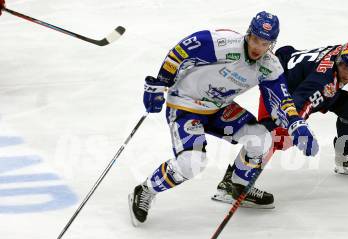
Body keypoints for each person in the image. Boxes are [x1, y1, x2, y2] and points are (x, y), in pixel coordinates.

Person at [128, 11, 319, 226]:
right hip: (186, 104)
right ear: (248, 34)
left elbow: (281, 101)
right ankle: (145, 190)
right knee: (191, 163)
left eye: (265, 43)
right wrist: (161, 81)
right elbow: (181, 50)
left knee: (262, 139)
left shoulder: (269, 66)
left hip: (219, 108)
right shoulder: (223, 43)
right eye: (255, 39)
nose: (258, 47)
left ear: (272, 44)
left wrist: (296, 125)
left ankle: (235, 186)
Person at [212, 41, 348, 208]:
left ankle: (344, 158)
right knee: (275, 136)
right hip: (279, 88)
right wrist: (296, 125)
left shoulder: (343, 55)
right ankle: (231, 184)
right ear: (339, 62)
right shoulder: (321, 81)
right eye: (346, 69)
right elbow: (299, 103)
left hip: (303, 82)